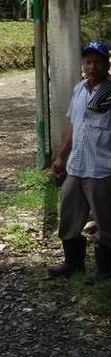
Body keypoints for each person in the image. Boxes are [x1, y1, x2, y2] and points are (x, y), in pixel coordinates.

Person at [47, 40, 111, 283]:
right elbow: (75, 127)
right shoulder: (79, 90)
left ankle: (104, 270)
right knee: (69, 215)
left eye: (97, 61)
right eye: (88, 61)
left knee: (106, 222)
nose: (92, 66)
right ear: (83, 64)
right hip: (76, 166)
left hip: (103, 169)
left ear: (107, 63)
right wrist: (62, 155)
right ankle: (73, 263)